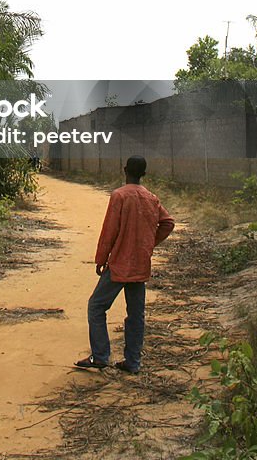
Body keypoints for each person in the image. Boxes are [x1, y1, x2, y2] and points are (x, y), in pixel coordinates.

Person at [75, 156, 175, 373]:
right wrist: (149, 243)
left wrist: (101, 259)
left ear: (124, 170)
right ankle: (133, 362)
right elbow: (168, 223)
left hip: (120, 264)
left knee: (96, 306)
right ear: (144, 174)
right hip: (140, 264)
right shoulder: (151, 198)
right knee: (136, 314)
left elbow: (109, 231)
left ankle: (100, 356)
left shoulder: (119, 196)